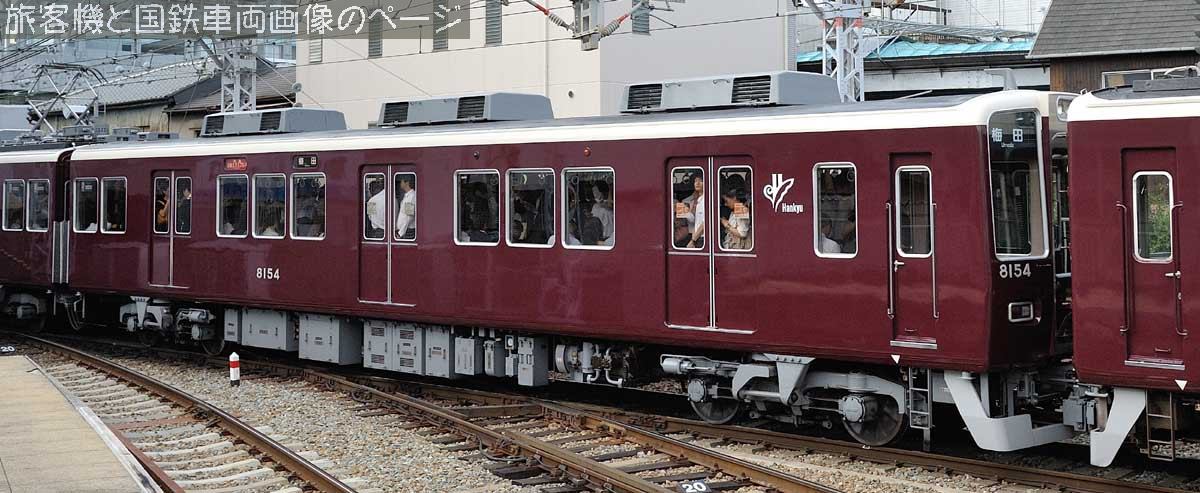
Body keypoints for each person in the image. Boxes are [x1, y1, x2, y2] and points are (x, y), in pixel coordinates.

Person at [395, 175, 416, 240]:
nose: (400, 183)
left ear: (407, 182)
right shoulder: (408, 196)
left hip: (407, 231)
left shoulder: (411, 197)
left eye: (401, 181)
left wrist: (400, 233)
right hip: (405, 230)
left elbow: (409, 217)